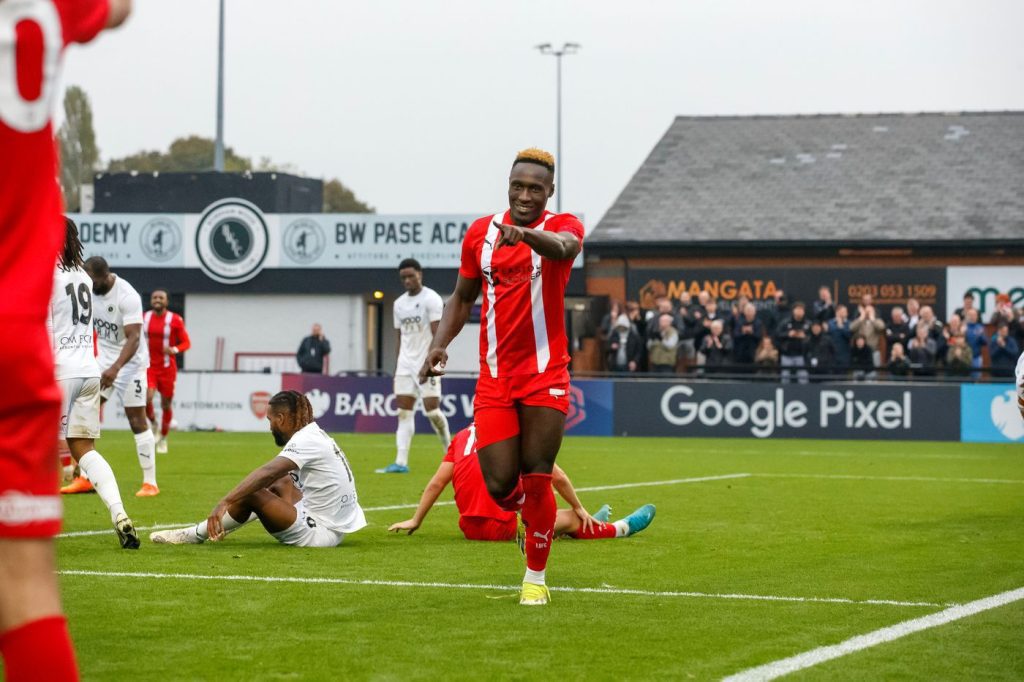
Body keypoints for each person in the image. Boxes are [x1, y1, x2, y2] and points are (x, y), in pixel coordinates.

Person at [0, 1, 132, 678]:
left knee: (78, 452)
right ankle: (124, 505)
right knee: (23, 585)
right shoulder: (35, 12)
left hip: (57, 360)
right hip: (30, 357)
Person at [419, 147, 583, 606]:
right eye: (518, 186)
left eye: (535, 188)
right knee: (498, 483)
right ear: (507, 186)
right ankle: (543, 519)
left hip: (545, 374)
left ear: (549, 192)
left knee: (536, 475)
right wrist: (439, 344)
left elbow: (566, 249)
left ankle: (535, 578)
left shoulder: (563, 226)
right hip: (494, 377)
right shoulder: (480, 234)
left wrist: (527, 236)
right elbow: (461, 295)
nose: (525, 194)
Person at [150, 391, 366, 547]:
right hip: (336, 525)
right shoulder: (313, 433)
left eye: (270, 420)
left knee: (254, 492)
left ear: (281, 419)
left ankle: (193, 534)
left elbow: (266, 472)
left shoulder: (305, 441)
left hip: (321, 533)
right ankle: (214, 529)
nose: (269, 426)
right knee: (281, 481)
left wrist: (224, 502)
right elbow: (274, 477)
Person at [388, 425, 655, 541]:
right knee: (570, 516)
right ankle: (620, 528)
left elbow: (436, 483)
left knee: (538, 506)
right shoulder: (511, 435)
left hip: (469, 527)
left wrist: (416, 520)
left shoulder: (461, 436)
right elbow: (558, 477)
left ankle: (566, 527)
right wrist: (579, 509)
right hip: (501, 527)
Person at [50, 219, 140, 549]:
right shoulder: (84, 277)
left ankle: (32, 530)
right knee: (84, 451)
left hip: (58, 371)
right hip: (89, 372)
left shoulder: (45, 275)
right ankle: (119, 514)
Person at [64, 257, 158, 497]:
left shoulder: (127, 295)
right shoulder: (87, 290)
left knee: (136, 419)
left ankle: (150, 483)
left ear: (106, 276)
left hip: (131, 364)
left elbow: (134, 338)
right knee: (84, 411)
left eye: (94, 281)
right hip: (103, 361)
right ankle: (85, 478)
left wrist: (116, 368)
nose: (90, 285)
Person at [377, 259, 450, 474]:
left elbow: (438, 333)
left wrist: (431, 363)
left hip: (426, 362)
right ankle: (400, 462)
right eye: (403, 278)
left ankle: (451, 453)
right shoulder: (399, 304)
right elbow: (401, 336)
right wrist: (398, 363)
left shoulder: (431, 299)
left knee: (433, 412)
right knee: (403, 413)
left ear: (420, 274)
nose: (407, 280)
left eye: (411, 276)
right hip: (404, 365)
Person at [143, 289, 191, 454]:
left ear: (166, 301)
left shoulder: (175, 320)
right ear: (151, 300)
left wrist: (174, 349)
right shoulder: (144, 318)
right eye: (154, 297)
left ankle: (163, 438)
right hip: (149, 367)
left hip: (167, 369)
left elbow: (186, 343)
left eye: (160, 297)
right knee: (146, 398)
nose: (157, 299)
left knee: (165, 404)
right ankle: (154, 423)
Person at [776, 301, 810, 384]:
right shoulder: (786, 322)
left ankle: (804, 395)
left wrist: (805, 337)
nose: (799, 311)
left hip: (801, 355)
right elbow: (777, 334)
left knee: (803, 378)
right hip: (787, 354)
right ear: (793, 311)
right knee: (785, 378)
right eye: (797, 309)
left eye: (801, 310)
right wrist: (788, 334)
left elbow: (813, 337)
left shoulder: (808, 323)